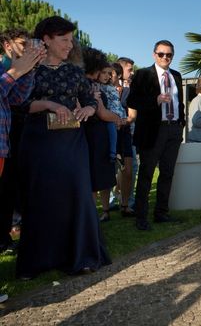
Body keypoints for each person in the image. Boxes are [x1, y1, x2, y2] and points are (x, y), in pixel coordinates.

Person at [16, 16, 111, 279]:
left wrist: (88, 109)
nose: (70, 45)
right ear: (46, 39)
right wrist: (49, 104)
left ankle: (82, 257)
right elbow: (20, 105)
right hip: (38, 144)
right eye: (64, 39)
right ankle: (37, 261)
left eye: (71, 39)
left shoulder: (74, 72)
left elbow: (89, 101)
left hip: (72, 144)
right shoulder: (29, 70)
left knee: (78, 195)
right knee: (41, 199)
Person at [127, 40, 185, 231]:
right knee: (146, 174)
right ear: (154, 55)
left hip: (174, 129)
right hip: (153, 130)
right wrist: (156, 99)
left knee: (167, 173)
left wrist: (181, 123)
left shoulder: (176, 75)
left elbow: (179, 102)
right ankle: (141, 217)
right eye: (161, 54)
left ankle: (161, 213)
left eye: (169, 55)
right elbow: (132, 100)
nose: (165, 58)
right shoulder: (143, 74)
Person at [0, 29, 44, 255]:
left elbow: (17, 98)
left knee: (8, 188)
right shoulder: (4, 68)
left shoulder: (18, 69)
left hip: (5, 141)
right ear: (7, 45)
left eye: (28, 44)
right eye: (20, 44)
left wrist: (28, 71)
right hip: (8, 135)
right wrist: (17, 71)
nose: (26, 48)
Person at [83, 48, 124, 222]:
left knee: (101, 177)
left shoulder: (93, 84)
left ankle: (102, 212)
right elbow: (102, 113)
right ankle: (93, 216)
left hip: (98, 136)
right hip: (93, 136)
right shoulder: (89, 85)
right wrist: (117, 118)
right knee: (93, 178)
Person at [117, 57, 136, 216]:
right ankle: (111, 203)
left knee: (130, 169)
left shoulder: (131, 90)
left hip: (128, 132)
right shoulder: (105, 87)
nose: (132, 73)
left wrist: (125, 121)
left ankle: (128, 202)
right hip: (110, 132)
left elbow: (133, 113)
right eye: (130, 69)